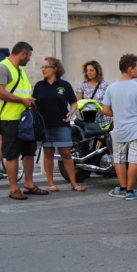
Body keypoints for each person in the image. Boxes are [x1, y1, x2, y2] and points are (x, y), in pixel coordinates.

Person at [0, 41, 48, 200]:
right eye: (29, 55)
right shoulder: (2, 68)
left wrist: (28, 101)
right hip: (9, 119)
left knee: (29, 151)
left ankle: (29, 184)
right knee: (12, 154)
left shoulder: (20, 71)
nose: (29, 59)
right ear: (22, 53)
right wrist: (22, 101)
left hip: (24, 119)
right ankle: (14, 188)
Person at [101, 53, 137, 200]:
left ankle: (122, 188)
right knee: (134, 159)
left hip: (119, 129)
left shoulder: (111, 88)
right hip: (136, 129)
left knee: (119, 159)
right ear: (130, 69)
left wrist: (118, 114)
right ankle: (130, 191)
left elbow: (105, 110)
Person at [32, 57, 85, 193]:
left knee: (66, 153)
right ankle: (51, 183)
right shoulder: (39, 85)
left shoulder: (65, 85)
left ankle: (73, 183)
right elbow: (35, 104)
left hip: (62, 123)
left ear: (55, 69)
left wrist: (71, 113)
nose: (43, 70)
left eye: (46, 67)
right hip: (45, 125)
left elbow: (73, 102)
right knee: (48, 153)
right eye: (42, 67)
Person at [75, 60, 110, 128]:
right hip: (88, 119)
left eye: (91, 70)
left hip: (103, 119)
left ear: (97, 71)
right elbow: (78, 103)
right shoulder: (82, 84)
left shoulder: (105, 84)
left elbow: (109, 102)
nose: (88, 72)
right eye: (87, 70)